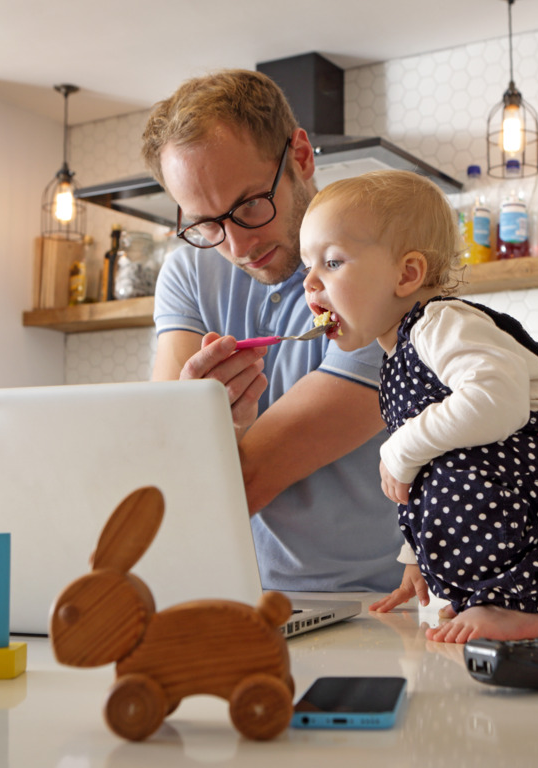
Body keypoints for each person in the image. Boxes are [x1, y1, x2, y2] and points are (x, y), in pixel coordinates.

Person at [299, 169, 538, 642]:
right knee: (435, 453)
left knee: (436, 451)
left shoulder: (440, 323)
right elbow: (431, 467)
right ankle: (498, 596)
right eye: (307, 268)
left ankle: (519, 604)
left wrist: (398, 448)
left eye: (333, 263)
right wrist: (417, 556)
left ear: (407, 274)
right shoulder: (397, 357)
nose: (311, 284)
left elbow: (496, 402)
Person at [140, 70, 404, 593]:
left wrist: (206, 434)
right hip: (216, 596)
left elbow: (241, 482)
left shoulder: (385, 275)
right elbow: (161, 468)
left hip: (362, 612)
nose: (236, 246)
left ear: (301, 157)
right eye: (206, 224)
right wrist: (201, 431)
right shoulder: (189, 272)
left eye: (249, 206)